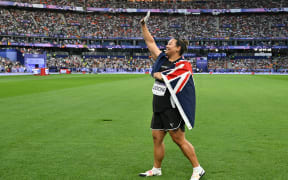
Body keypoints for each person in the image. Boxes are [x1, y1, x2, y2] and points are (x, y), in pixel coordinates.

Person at [138, 14, 205, 180]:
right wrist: (143, 26)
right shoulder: (162, 58)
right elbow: (150, 43)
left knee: (179, 139)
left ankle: (198, 168)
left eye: (169, 44)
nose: (166, 46)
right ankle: (156, 168)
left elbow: (163, 76)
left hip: (173, 108)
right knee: (156, 138)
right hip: (159, 106)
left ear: (178, 49)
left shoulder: (183, 65)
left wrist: (158, 74)